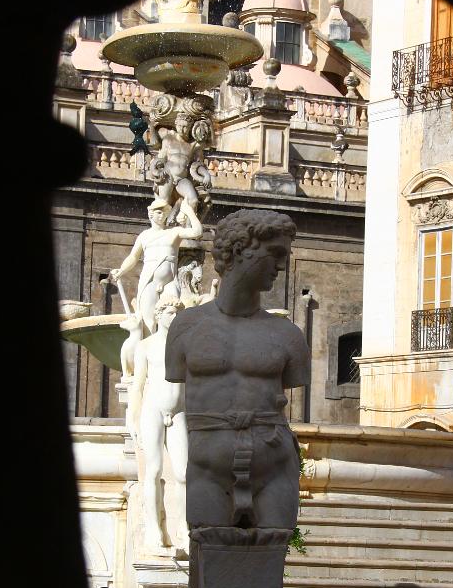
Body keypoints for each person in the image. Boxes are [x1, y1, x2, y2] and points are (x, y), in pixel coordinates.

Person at [165, 209, 310, 530]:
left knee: (269, 553)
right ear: (240, 249)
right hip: (207, 470)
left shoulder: (288, 336)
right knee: (210, 551)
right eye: (275, 253)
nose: (282, 265)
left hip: (274, 469)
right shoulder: (185, 328)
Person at [128, 295, 189, 552]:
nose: (174, 317)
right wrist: (132, 418)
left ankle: (184, 527)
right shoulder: (145, 346)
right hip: (152, 410)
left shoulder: (186, 346)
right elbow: (137, 385)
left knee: (183, 473)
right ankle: (153, 529)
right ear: (159, 314)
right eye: (170, 313)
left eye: (177, 313)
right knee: (153, 471)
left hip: (179, 411)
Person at [109, 196, 202, 336]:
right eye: (159, 212)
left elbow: (197, 232)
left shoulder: (174, 232)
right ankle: (147, 347)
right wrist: (121, 270)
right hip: (150, 280)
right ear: (151, 214)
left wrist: (188, 211)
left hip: (170, 281)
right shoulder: (144, 236)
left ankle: (167, 348)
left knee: (171, 317)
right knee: (148, 322)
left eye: (165, 212)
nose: (162, 214)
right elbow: (133, 257)